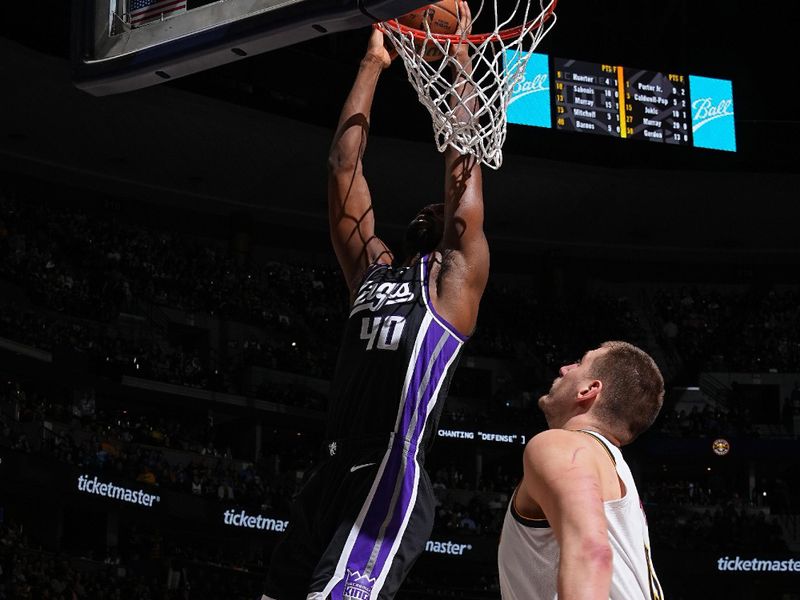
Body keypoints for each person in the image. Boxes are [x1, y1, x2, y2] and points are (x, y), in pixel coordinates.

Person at [263, 4, 488, 599]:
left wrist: (461, 59)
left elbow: (462, 163)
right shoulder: (375, 270)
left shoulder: (452, 284)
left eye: (440, 211)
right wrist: (372, 63)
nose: (431, 208)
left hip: (390, 469)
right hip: (331, 468)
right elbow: (343, 168)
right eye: (426, 210)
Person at [498, 341, 666, 600]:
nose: (565, 368)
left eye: (579, 363)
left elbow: (590, 553)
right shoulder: (616, 472)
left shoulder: (562, 444)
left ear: (588, 390)